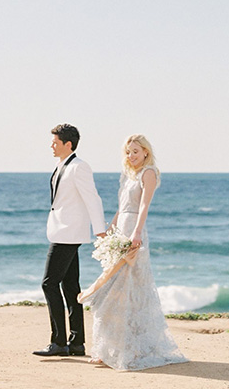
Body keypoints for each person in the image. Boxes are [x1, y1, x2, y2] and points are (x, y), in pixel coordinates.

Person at [83, 134, 187, 371]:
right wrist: (109, 230)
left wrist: (136, 233)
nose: (131, 156)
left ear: (146, 152)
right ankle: (107, 349)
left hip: (134, 233)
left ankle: (131, 349)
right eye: (128, 152)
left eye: (135, 152)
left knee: (129, 291)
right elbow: (122, 208)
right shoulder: (128, 175)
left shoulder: (148, 173)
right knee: (113, 290)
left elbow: (143, 206)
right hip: (121, 231)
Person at [33, 123, 106, 357]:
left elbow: (93, 199)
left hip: (68, 234)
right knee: (70, 286)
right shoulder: (61, 165)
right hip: (64, 231)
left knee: (48, 283)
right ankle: (76, 343)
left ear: (68, 144)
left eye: (55, 142)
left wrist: (100, 231)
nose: (51, 146)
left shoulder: (79, 167)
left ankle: (58, 342)